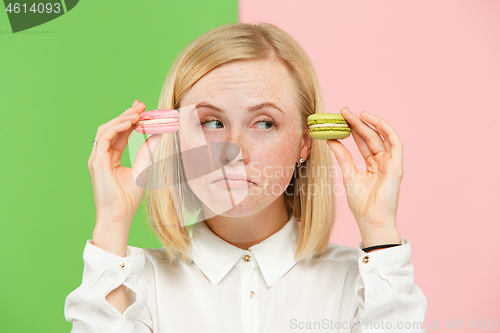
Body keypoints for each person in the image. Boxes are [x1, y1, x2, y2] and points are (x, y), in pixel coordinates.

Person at [64, 22, 427, 332]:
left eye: (264, 123)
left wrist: (379, 230)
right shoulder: (133, 287)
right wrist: (112, 221)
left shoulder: (363, 284)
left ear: (304, 141)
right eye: (212, 122)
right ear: (174, 136)